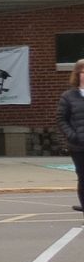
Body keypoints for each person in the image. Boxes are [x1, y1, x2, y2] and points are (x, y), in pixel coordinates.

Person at [60, 59, 84, 213]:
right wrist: (72, 135)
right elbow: (61, 119)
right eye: (83, 72)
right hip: (79, 146)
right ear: (77, 74)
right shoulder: (68, 96)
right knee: (83, 178)